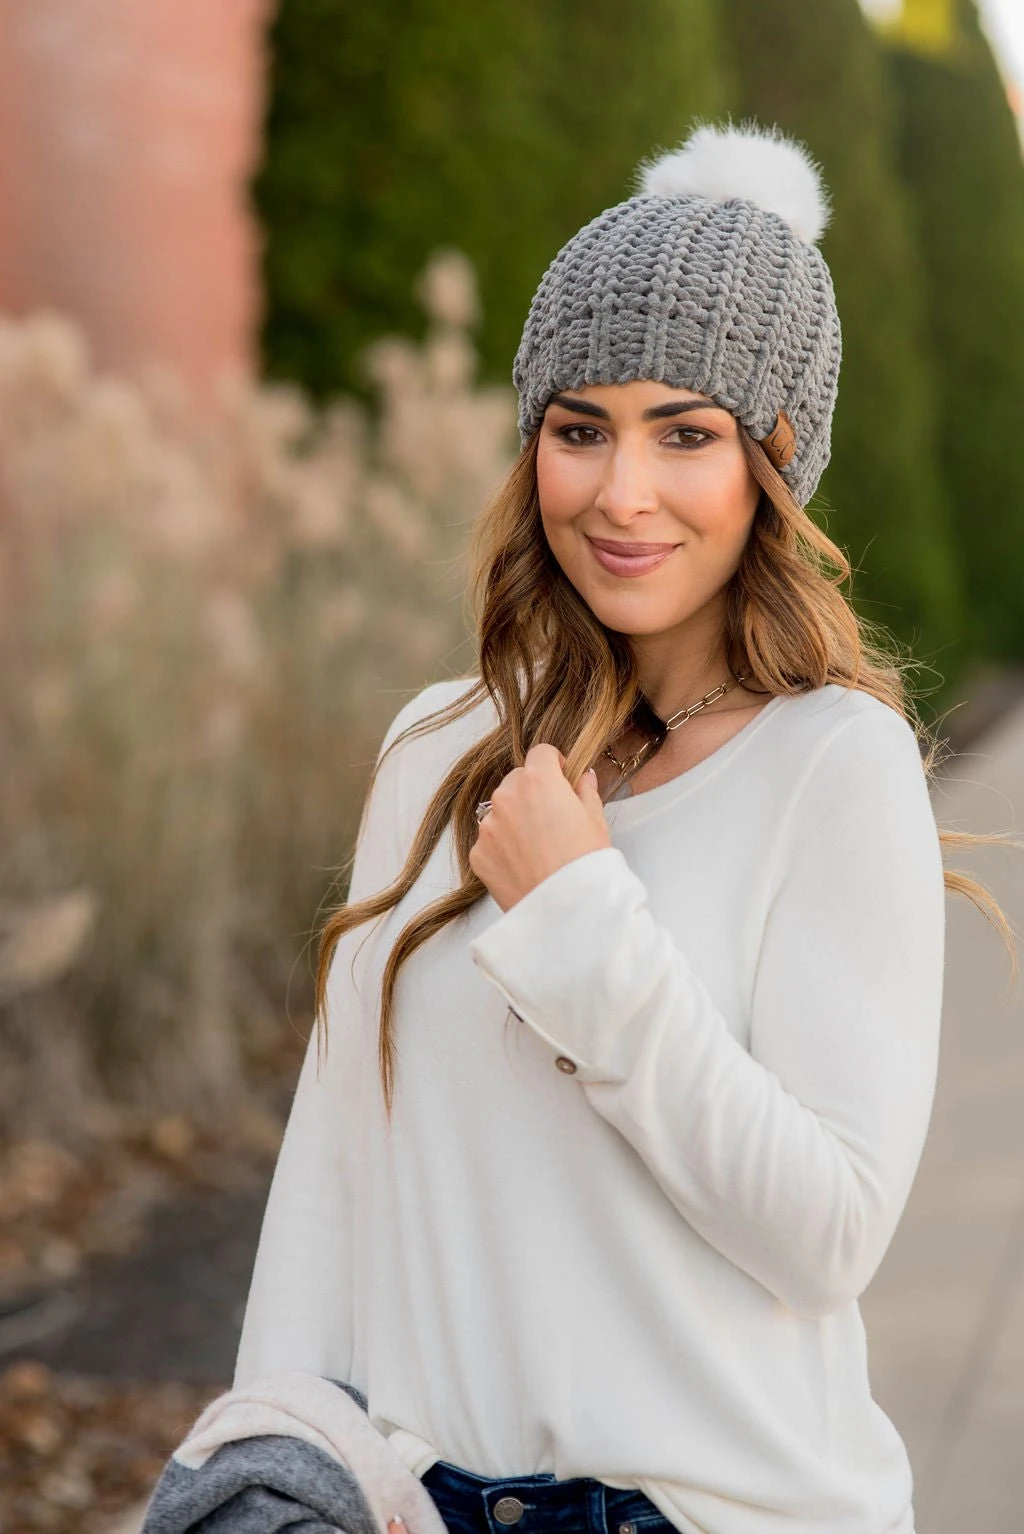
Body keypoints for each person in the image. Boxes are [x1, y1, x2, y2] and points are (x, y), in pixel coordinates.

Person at [234, 121, 1015, 1534]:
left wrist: (585, 922)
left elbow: (828, 1233)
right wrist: (267, 1463)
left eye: (687, 433)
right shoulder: (433, 753)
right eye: (580, 428)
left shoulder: (833, 767)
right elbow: (331, 1169)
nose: (621, 492)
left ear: (774, 460)